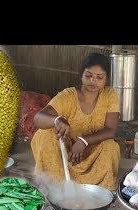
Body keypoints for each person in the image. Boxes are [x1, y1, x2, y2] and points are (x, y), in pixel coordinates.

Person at [31, 53, 120, 190]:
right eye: (88, 75)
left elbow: (111, 130)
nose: (92, 81)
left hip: (91, 150)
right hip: (65, 153)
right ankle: (54, 185)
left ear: (106, 79)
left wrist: (84, 141)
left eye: (99, 77)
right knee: (45, 135)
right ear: (81, 75)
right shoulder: (68, 96)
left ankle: (100, 190)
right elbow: (38, 118)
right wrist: (56, 120)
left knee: (111, 146)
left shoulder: (110, 95)